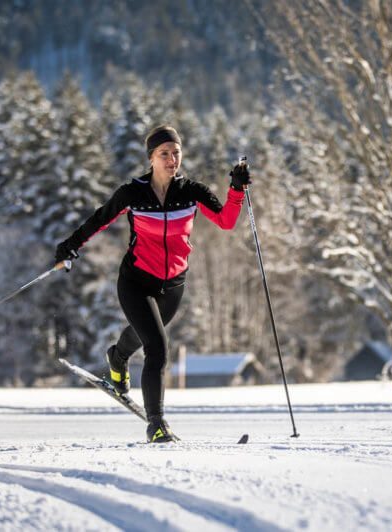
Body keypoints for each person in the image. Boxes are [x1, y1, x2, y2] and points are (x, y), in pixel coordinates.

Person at [55, 125, 251, 443]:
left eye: (176, 153)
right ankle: (156, 424)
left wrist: (236, 190)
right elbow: (100, 218)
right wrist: (70, 245)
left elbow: (226, 221)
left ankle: (117, 358)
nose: (172, 159)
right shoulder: (133, 193)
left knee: (143, 333)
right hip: (135, 280)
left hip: (174, 284)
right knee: (157, 348)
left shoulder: (191, 192)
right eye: (165, 153)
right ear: (151, 158)